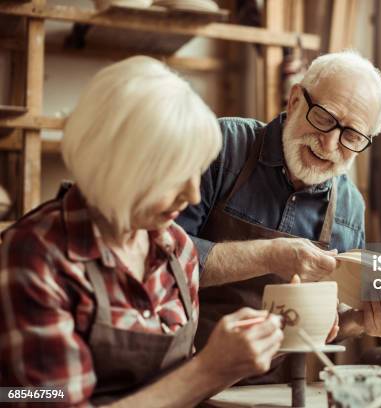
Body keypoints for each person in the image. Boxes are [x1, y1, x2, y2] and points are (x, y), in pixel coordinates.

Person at [0, 56, 283, 407]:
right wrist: (208, 370)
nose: (193, 195)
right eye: (175, 176)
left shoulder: (176, 249)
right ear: (115, 165)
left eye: (197, 172)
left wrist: (235, 361)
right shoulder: (35, 255)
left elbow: (179, 389)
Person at [177, 51, 381, 384]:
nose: (330, 143)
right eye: (324, 117)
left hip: (279, 392)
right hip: (186, 381)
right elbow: (161, 262)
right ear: (294, 102)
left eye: (352, 136)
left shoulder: (350, 209)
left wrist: (359, 321)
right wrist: (270, 255)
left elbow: (323, 328)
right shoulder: (223, 147)